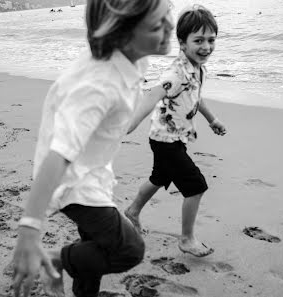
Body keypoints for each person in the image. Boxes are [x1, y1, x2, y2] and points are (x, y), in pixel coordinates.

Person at [12, 0, 174, 296]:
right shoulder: (97, 85)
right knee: (129, 248)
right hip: (72, 181)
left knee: (96, 247)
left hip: (92, 171)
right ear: (121, 34)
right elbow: (59, 154)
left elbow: (123, 115)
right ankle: (56, 260)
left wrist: (156, 95)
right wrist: (29, 227)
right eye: (156, 25)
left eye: (168, 17)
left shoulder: (131, 58)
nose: (169, 28)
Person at [125, 4, 226, 258]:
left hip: (170, 137)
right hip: (166, 141)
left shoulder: (198, 69)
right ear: (182, 42)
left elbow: (197, 98)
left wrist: (213, 120)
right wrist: (131, 123)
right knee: (196, 186)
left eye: (211, 39)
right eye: (198, 40)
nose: (206, 46)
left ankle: (133, 212)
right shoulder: (177, 72)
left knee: (159, 177)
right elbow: (153, 94)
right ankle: (187, 239)